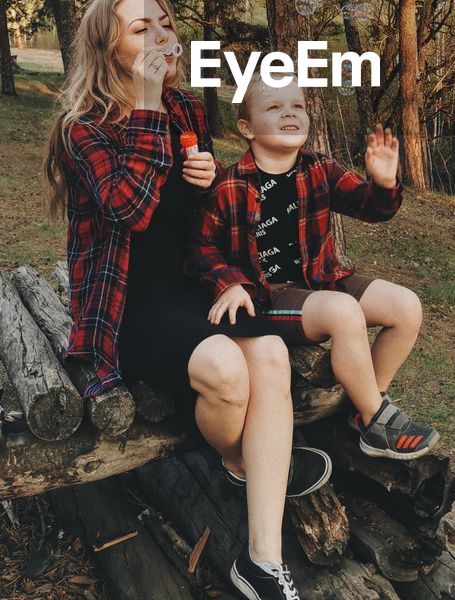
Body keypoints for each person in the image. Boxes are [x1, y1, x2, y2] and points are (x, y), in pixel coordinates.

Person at [44, 0, 329, 600]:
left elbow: (196, 228)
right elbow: (131, 211)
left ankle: (262, 561)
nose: (160, 38)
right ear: (106, 45)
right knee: (231, 370)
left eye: (165, 25)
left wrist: (207, 190)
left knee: (269, 357)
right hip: (124, 309)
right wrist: (146, 109)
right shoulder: (83, 127)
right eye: (141, 28)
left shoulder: (181, 110)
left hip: (189, 290)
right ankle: (244, 459)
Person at [187, 74, 440, 459]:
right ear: (246, 128)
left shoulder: (320, 169)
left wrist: (384, 183)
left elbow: (369, 207)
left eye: (297, 106)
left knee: (406, 307)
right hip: (272, 296)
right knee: (343, 312)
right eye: (274, 107)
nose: (289, 113)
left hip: (324, 277)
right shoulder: (230, 184)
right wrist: (230, 283)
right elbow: (201, 247)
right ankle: (377, 422)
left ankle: (363, 407)